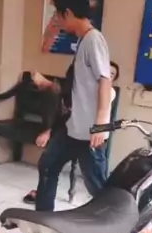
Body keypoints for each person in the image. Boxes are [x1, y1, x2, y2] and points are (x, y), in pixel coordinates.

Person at [28, 0, 112, 212]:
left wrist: (101, 123)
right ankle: (44, 219)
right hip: (73, 128)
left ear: (68, 13)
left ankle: (118, 225)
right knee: (48, 165)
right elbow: (77, 88)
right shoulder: (84, 41)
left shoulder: (93, 40)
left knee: (98, 187)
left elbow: (105, 80)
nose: (57, 20)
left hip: (90, 133)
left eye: (58, 15)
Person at [22, 61, 119, 205]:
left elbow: (87, 101)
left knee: (96, 184)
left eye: (111, 75)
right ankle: (43, 210)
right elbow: (65, 114)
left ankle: (112, 211)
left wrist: (49, 84)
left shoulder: (108, 92)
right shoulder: (75, 90)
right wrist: (49, 131)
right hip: (68, 134)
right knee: (47, 166)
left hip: (91, 139)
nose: (106, 76)